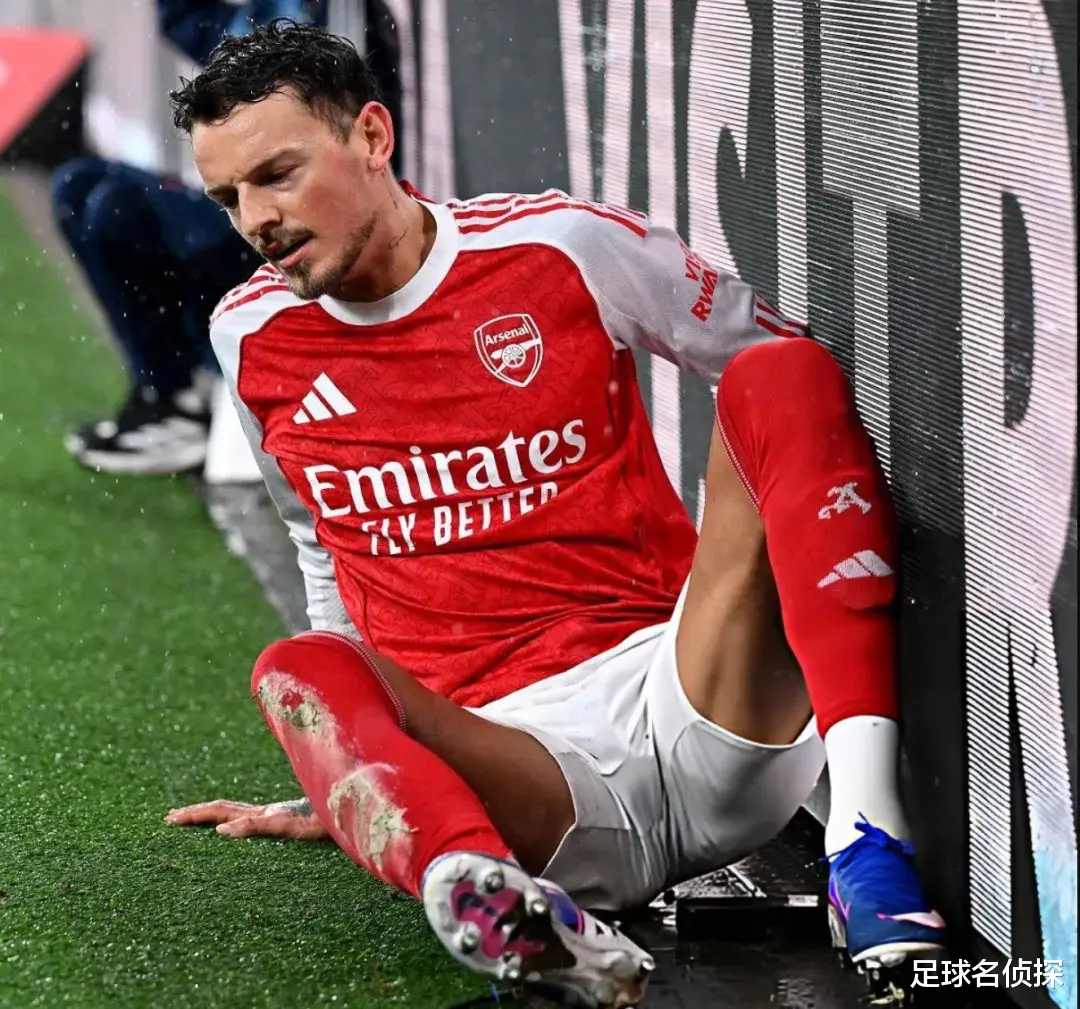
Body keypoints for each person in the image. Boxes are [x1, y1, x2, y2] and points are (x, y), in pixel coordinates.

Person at [162, 20, 947, 1008]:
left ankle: (869, 845)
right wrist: (360, 770)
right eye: (229, 197)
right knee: (297, 670)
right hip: (525, 784)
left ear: (372, 136)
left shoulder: (558, 245)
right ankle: (493, 899)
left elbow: (785, 387)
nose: (257, 219)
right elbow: (324, 553)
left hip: (695, 701)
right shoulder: (248, 334)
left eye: (278, 174)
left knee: (781, 376)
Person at [56, 1, 325, 474]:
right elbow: (187, 22)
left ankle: (195, 394)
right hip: (245, 211)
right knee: (77, 186)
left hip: (297, 234)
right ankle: (171, 395)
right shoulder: (260, 18)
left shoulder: (337, 20)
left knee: (118, 207)